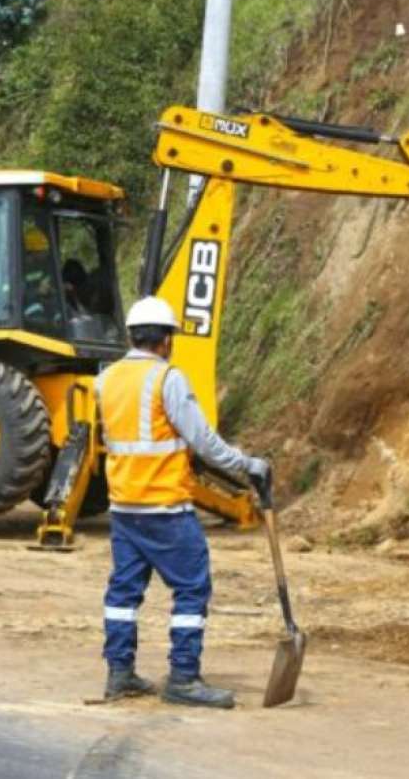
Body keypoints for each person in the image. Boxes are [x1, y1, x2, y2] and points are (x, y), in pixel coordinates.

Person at [96, 296, 271, 709]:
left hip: (124, 507)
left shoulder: (106, 378)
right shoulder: (167, 379)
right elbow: (204, 442)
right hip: (165, 507)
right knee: (192, 588)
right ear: (166, 340)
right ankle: (184, 676)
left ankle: (119, 672)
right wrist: (248, 465)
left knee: (123, 592)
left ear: (132, 335)